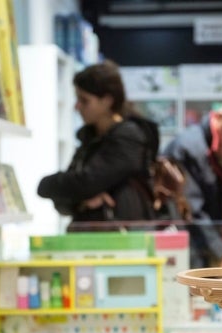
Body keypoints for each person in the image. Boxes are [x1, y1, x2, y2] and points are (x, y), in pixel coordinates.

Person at [37, 60, 160, 231]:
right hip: (91, 239)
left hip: (123, 241)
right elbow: (66, 195)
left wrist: (51, 185)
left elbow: (85, 182)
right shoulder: (90, 139)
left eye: (84, 100)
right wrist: (81, 200)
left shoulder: (129, 138)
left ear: (107, 101)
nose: (77, 107)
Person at [162, 98, 222, 268]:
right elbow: (192, 210)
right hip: (188, 248)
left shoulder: (221, 153)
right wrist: (220, 253)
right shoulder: (189, 148)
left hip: (204, 245)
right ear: (219, 117)